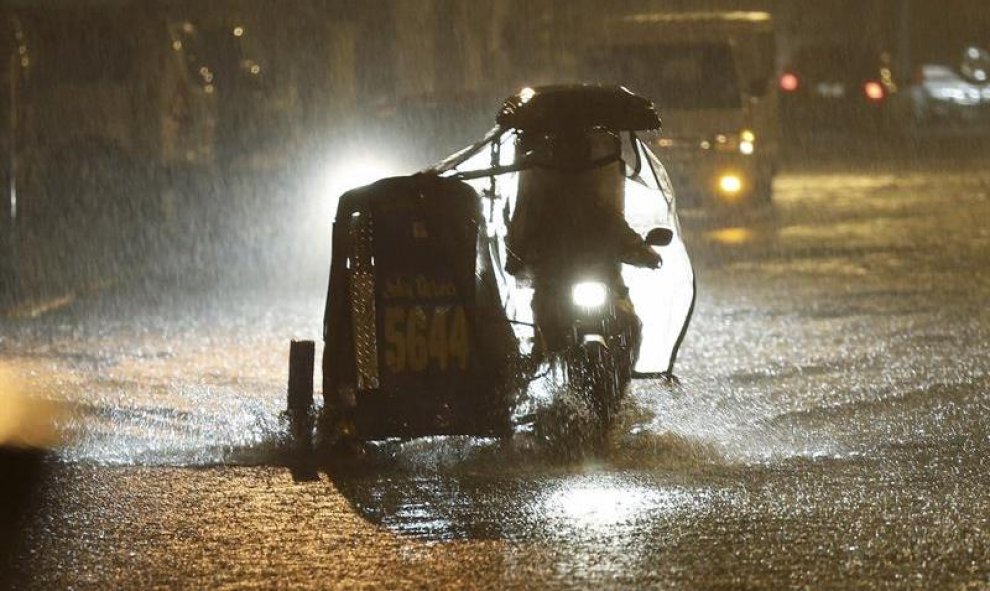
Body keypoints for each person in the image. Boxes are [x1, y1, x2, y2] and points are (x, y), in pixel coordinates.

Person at [505, 128, 660, 353]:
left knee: (631, 324)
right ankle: (544, 363)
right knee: (544, 324)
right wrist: (517, 256)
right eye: (566, 153)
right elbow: (523, 238)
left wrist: (647, 255)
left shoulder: (600, 212)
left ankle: (623, 371)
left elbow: (623, 237)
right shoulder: (545, 212)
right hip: (555, 287)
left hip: (606, 285)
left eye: (576, 153)